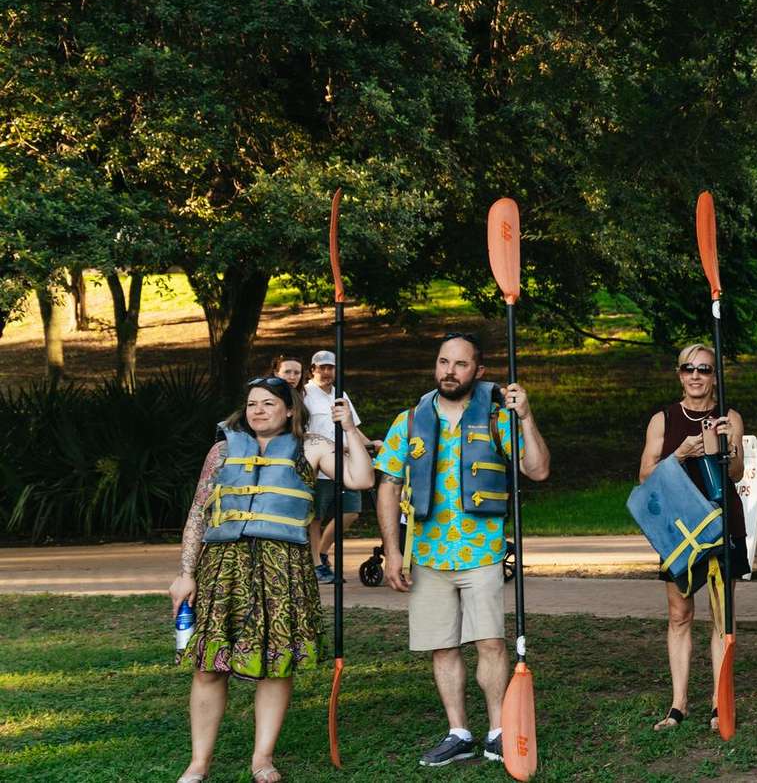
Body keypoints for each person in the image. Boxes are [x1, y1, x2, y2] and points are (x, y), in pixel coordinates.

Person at [170, 375, 374, 783]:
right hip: (222, 567)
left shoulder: (312, 447)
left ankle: (262, 759)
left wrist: (349, 428)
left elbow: (361, 479)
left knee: (276, 665)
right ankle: (198, 763)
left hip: (284, 568)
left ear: (289, 409)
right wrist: (185, 573)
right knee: (209, 666)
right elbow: (198, 513)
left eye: (267, 403)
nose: (258, 411)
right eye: (251, 404)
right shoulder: (222, 450)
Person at [373, 332, 551, 767]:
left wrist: (525, 417)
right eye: (442, 362)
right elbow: (388, 484)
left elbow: (538, 469)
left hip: (481, 552)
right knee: (442, 646)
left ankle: (497, 731)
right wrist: (392, 552)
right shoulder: (410, 420)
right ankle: (458, 732)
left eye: (460, 364)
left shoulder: (497, 418)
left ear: (479, 371)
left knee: (489, 643)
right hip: (427, 555)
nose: (448, 371)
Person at [635, 342, 748, 731]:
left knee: (722, 616)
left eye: (704, 369)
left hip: (721, 523)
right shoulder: (663, 419)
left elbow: (735, 473)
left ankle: (720, 704)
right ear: (679, 374)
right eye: (689, 369)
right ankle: (678, 704)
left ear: (715, 376)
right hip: (679, 528)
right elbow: (645, 477)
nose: (696, 376)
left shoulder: (728, 415)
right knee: (680, 614)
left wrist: (729, 443)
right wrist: (681, 453)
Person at [305, 349, 371, 584]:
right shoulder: (305, 394)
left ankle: (322, 552)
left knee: (351, 511)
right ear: (312, 369)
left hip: (345, 464)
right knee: (315, 518)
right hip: (318, 467)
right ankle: (316, 565)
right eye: (321, 367)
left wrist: (370, 444)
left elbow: (351, 426)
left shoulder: (340, 394)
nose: (326, 371)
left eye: (330, 367)